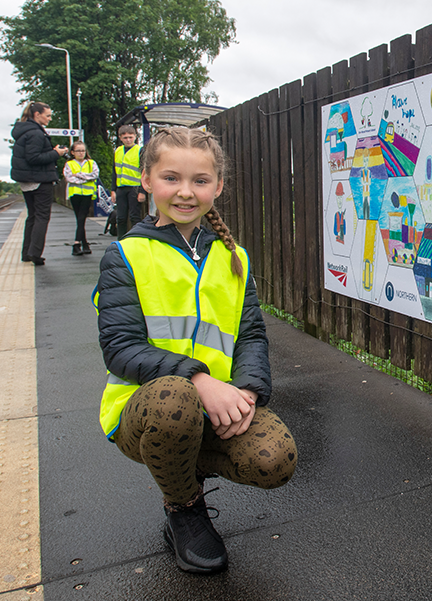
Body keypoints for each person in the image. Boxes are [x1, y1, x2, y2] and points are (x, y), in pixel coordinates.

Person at [94, 127, 298, 574]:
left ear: (218, 186)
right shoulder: (125, 256)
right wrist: (200, 379)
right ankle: (184, 506)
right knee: (176, 402)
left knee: (274, 458)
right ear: (147, 180)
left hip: (217, 403)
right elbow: (120, 347)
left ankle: (183, 464)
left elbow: (250, 337)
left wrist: (248, 392)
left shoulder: (233, 256)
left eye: (200, 181)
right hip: (147, 409)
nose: (186, 192)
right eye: (171, 178)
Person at [11, 101, 68, 265]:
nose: (50, 119)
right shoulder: (36, 133)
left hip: (27, 180)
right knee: (42, 216)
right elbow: (34, 158)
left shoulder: (24, 131)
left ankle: (27, 253)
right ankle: (35, 253)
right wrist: (56, 153)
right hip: (40, 180)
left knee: (33, 216)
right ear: (37, 115)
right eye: (48, 115)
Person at [63, 140, 99, 255]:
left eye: (83, 150)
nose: (81, 153)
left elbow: (95, 175)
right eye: (78, 151)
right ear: (72, 152)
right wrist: (86, 178)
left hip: (88, 194)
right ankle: (84, 243)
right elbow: (69, 178)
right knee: (80, 218)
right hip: (75, 194)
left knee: (81, 218)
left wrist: (78, 175)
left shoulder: (91, 163)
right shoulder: (69, 164)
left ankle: (77, 243)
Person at [110, 124, 145, 238]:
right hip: (121, 187)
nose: (128, 140)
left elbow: (145, 172)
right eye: (125, 138)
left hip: (134, 187)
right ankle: (121, 241)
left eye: (130, 137)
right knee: (120, 217)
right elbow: (114, 171)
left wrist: (142, 191)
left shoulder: (140, 150)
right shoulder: (118, 151)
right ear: (120, 138)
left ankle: (135, 239)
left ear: (135, 136)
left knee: (134, 217)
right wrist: (113, 190)